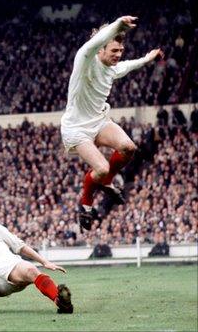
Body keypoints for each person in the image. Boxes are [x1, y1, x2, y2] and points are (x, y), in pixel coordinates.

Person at [60, 15, 164, 231]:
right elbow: (95, 42)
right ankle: (85, 205)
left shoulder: (113, 68)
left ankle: (106, 181)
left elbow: (129, 65)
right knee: (101, 167)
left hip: (98, 121)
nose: (118, 55)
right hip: (77, 129)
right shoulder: (85, 61)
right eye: (113, 51)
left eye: (120, 51)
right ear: (100, 50)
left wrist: (148, 58)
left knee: (129, 148)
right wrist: (118, 24)